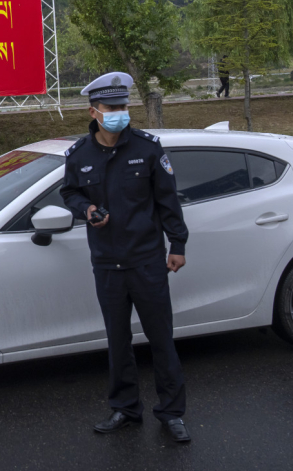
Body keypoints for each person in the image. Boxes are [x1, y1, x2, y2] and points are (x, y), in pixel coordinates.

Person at [60, 71, 192, 444]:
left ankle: (172, 413)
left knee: (161, 340)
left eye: (123, 106)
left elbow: (168, 201)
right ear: (94, 111)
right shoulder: (79, 155)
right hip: (107, 263)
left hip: (147, 261)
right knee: (118, 342)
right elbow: (68, 193)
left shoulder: (148, 149)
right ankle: (125, 408)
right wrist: (85, 209)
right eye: (111, 107)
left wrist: (177, 245)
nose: (120, 112)